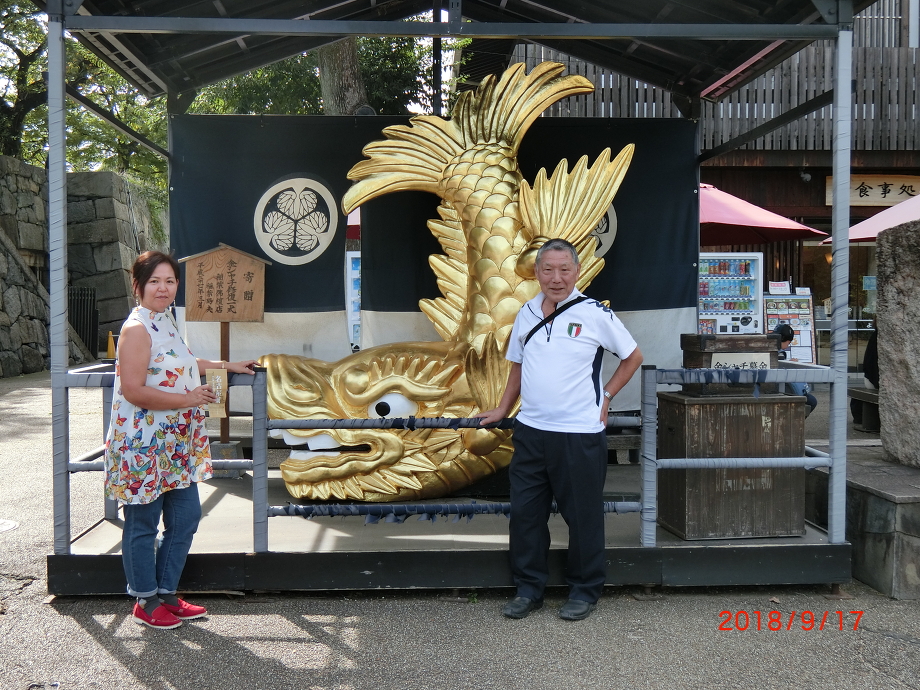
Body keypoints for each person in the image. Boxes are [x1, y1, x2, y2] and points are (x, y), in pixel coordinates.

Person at [477, 238, 643, 621]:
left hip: (579, 433)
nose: (556, 278)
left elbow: (633, 356)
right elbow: (517, 364)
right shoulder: (526, 312)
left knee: (583, 516)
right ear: (536, 272)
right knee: (526, 514)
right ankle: (528, 589)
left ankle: (584, 590)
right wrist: (503, 408)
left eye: (564, 269)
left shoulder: (595, 313)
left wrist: (606, 396)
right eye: (548, 270)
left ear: (577, 271)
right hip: (531, 430)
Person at [104, 251, 257, 629]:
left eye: (170, 281)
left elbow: (183, 363)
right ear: (138, 286)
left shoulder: (165, 321)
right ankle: (145, 600)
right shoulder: (136, 329)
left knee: (186, 517)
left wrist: (226, 365)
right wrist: (189, 399)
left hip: (173, 443)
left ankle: (166, 593)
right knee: (143, 523)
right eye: (154, 281)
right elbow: (134, 390)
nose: (163, 288)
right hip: (142, 445)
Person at [773, 324, 818, 416]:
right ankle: (794, 423)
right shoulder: (779, 353)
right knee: (811, 401)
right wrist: (790, 365)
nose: (788, 345)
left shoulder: (771, 348)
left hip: (770, 387)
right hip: (779, 389)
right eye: (788, 343)